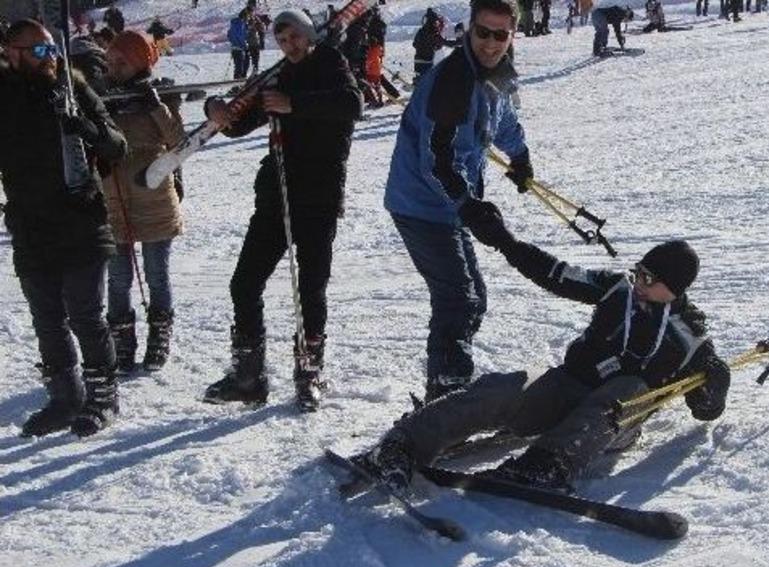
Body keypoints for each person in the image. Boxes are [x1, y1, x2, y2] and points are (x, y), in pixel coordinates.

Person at [357, 212, 731, 494]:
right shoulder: (617, 289)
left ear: (675, 288)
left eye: (650, 279)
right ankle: (402, 445)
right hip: (567, 388)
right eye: (639, 272)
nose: (640, 283)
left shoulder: (689, 339)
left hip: (609, 425)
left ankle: (548, 465)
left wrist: (716, 382)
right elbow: (555, 273)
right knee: (505, 389)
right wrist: (504, 241)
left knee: (630, 386)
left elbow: (705, 410)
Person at [202, 9, 361, 411]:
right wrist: (218, 112)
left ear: (309, 36)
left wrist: (294, 104)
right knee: (244, 282)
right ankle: (248, 376)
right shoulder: (276, 76)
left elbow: (352, 103)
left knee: (310, 286)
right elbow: (244, 120)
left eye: (295, 37)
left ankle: (309, 372)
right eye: (282, 39)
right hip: (276, 194)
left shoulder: (330, 63)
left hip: (318, 196)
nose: (289, 45)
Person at [384, 0, 533, 402]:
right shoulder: (454, 80)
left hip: (448, 204)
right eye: (483, 32)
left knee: (473, 299)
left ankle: (449, 384)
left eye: (500, 35)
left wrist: (519, 155)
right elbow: (436, 160)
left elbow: (501, 119)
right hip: (421, 202)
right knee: (458, 298)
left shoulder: (496, 74)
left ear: (511, 35)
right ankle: (446, 396)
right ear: (469, 30)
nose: (490, 43)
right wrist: (468, 205)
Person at [1, 19, 127, 437]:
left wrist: (86, 129)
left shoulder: (73, 89)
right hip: (31, 226)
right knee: (47, 319)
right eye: (39, 51)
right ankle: (65, 396)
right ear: (13, 54)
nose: (50, 57)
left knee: (86, 315)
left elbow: (117, 145)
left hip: (80, 221)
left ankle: (103, 395)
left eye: (52, 48)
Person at [100, 30, 185, 375]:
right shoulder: (100, 93)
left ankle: (159, 335)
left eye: (122, 61)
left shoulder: (159, 94)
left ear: (139, 61)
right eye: (110, 60)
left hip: (155, 198)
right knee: (117, 278)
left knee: (156, 274)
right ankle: (121, 340)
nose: (113, 67)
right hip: (113, 195)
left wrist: (155, 106)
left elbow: (179, 142)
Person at [411, 8, 447, 83]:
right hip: (427, 62)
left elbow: (414, 44)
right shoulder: (434, 34)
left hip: (417, 60)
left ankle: (417, 81)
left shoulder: (420, 31)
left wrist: (423, 47)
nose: (437, 24)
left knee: (421, 75)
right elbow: (446, 43)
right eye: (436, 22)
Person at [227, 8, 251, 80]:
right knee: (240, 68)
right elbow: (240, 36)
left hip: (236, 48)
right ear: (244, 16)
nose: (248, 19)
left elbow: (229, 35)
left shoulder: (236, 23)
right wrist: (244, 45)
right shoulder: (240, 24)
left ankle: (239, 85)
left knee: (241, 67)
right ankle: (237, 86)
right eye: (248, 17)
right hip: (239, 48)